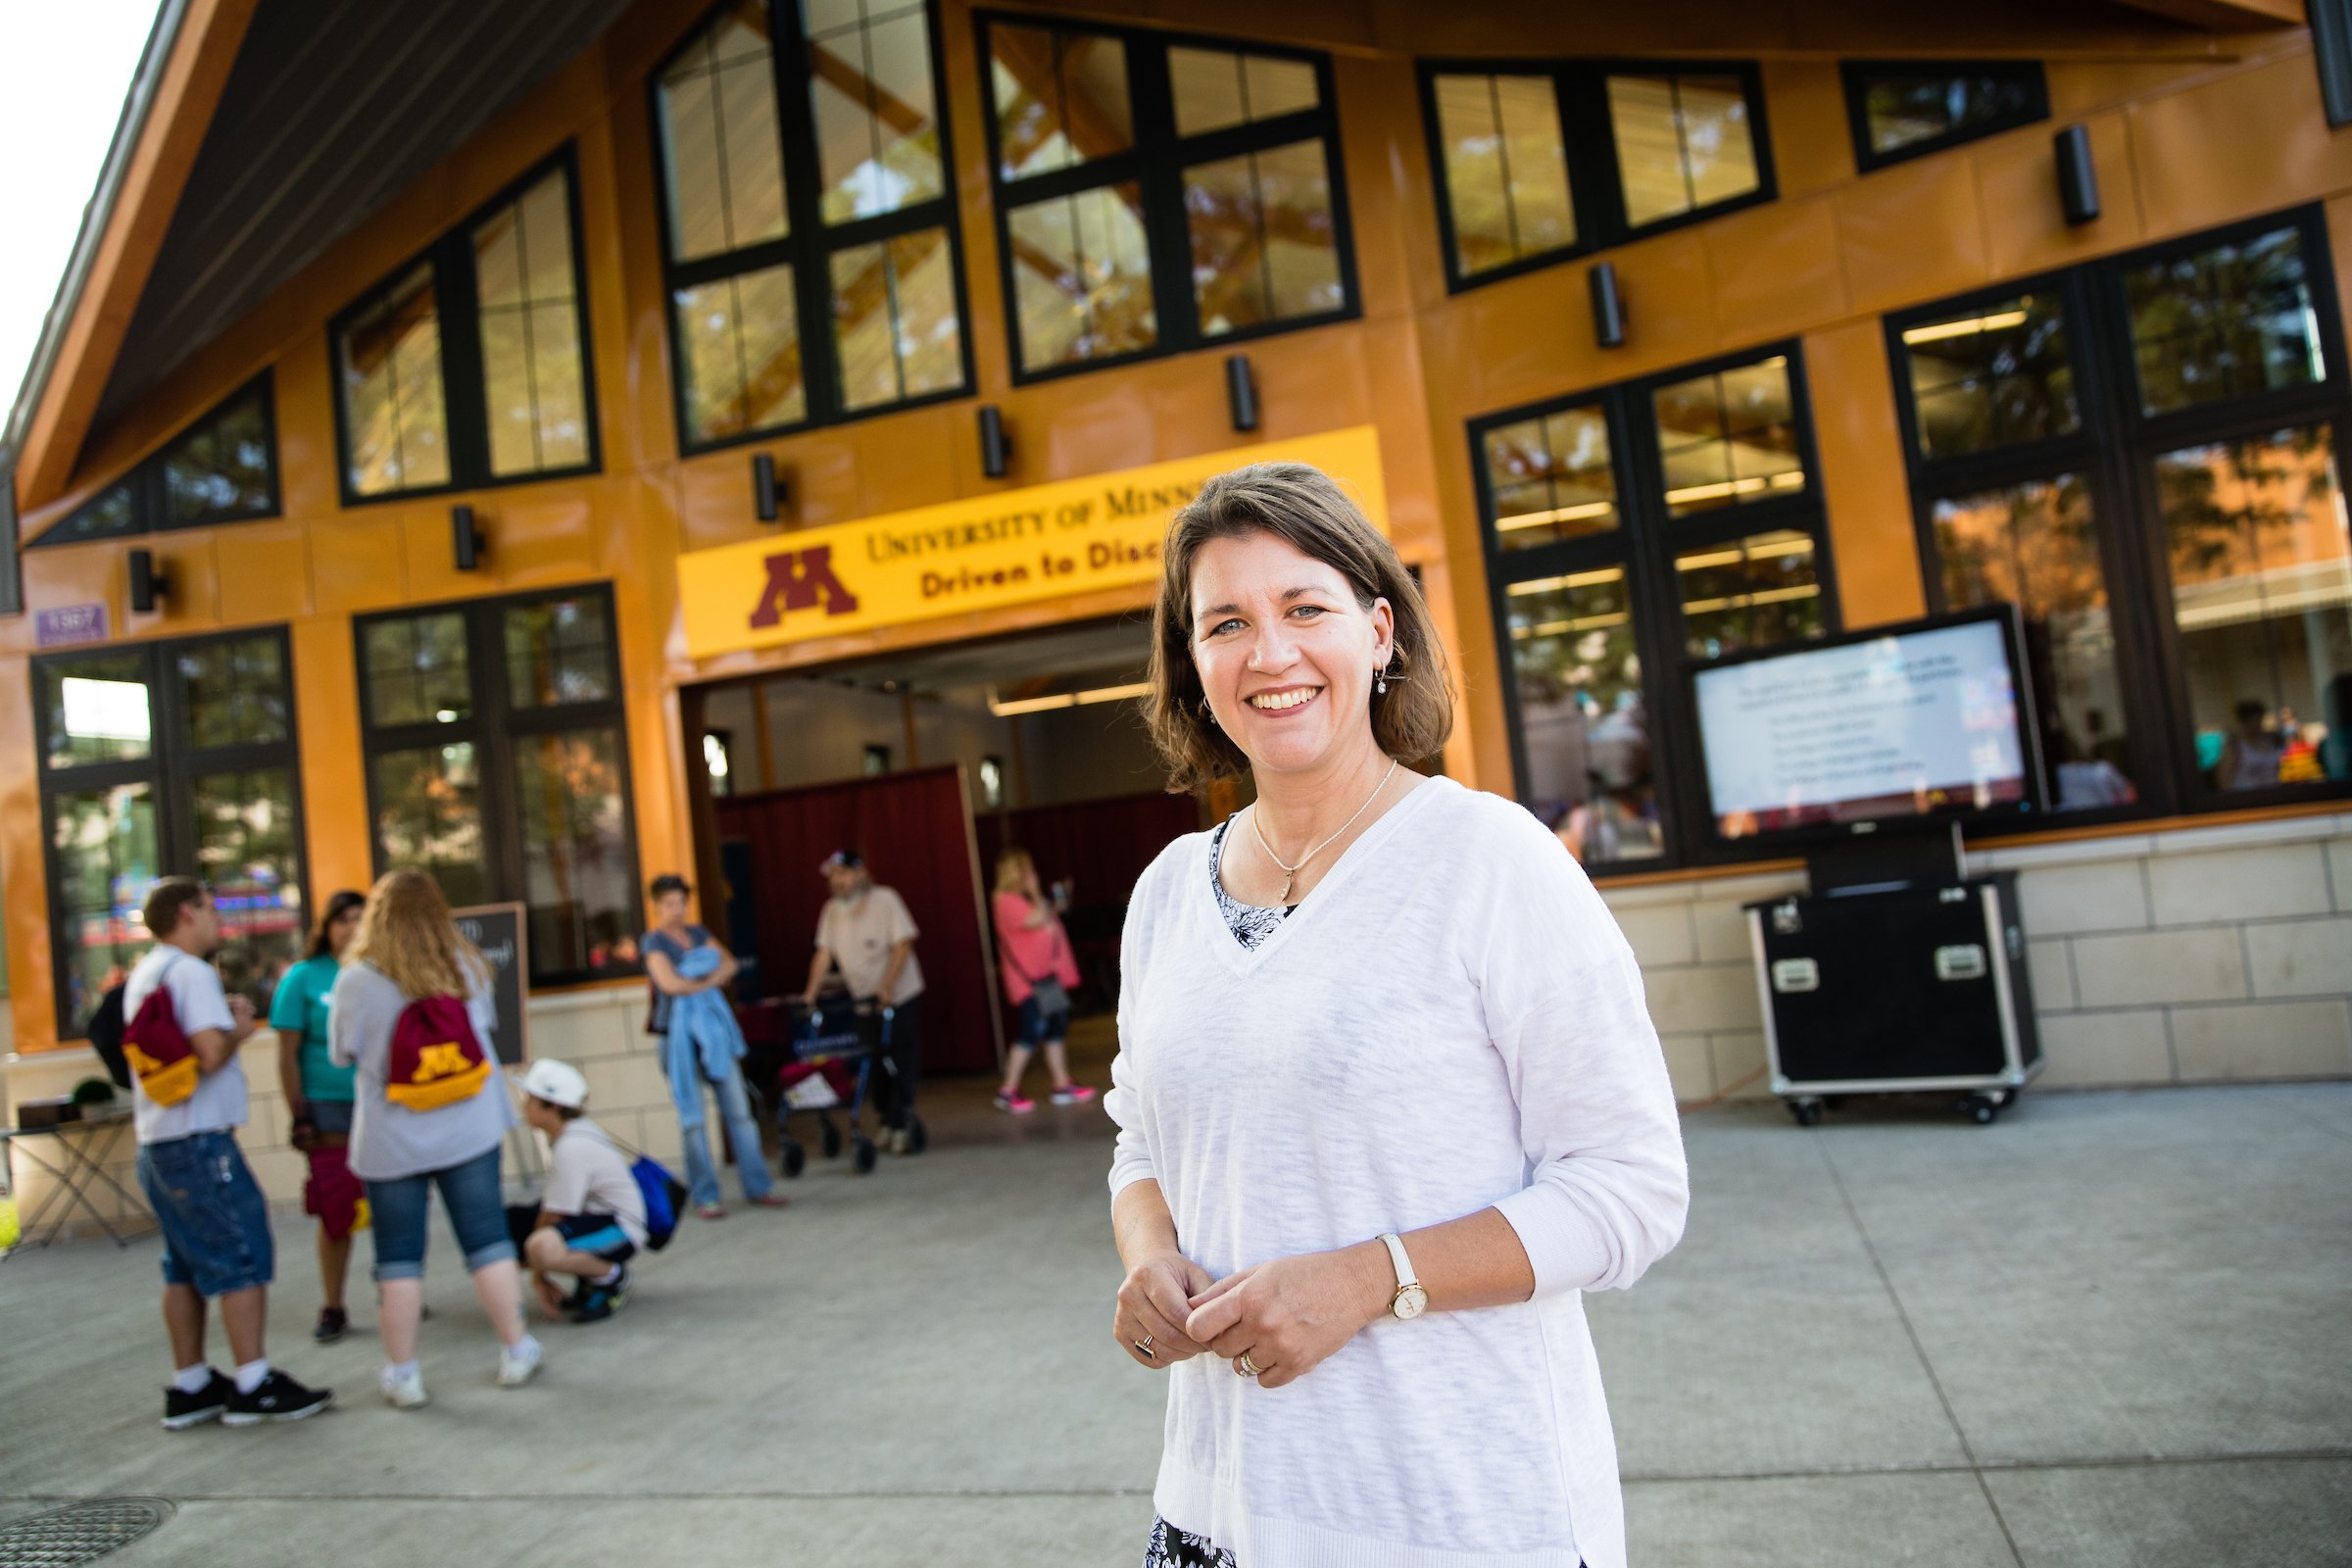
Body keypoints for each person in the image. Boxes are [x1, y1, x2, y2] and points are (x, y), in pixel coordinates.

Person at [1106, 463, 1688, 1568]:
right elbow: (1140, 1131)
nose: (1269, 653)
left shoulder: (1489, 858)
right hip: (1218, 1512)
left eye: (1304, 608)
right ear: (1193, 663)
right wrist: (1148, 1253)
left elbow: (1632, 1187)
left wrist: (1371, 1276)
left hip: (1455, 1518)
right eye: (1225, 621)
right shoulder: (1167, 893)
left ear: (1380, 631)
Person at [330, 868, 542, 1408]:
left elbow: (342, 1053)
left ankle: (404, 1375)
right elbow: (484, 1030)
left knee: (398, 1257)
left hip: (391, 1138)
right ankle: (516, 1350)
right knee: (488, 1242)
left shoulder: (356, 979)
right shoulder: (467, 966)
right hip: (470, 1129)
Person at [128, 878, 334, 1430]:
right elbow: (211, 1052)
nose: (220, 922)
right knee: (240, 1254)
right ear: (187, 913)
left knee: (184, 1266)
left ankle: (191, 1384)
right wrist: (239, 1030)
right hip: (201, 1141)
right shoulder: (192, 972)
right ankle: (252, 1383)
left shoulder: (146, 971)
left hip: (159, 1142)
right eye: (212, 910)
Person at [644, 873, 786, 1219]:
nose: (676, 910)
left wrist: (701, 977)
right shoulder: (654, 942)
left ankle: (758, 1187)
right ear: (657, 905)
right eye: (669, 904)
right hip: (676, 1038)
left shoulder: (698, 933)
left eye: (681, 903)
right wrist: (708, 979)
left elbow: (730, 964)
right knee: (692, 1118)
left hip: (713, 1034)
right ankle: (706, 1195)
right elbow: (670, 984)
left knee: (739, 1112)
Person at [270, 888, 368, 1344]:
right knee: (337, 1212)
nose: (351, 928)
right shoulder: (303, 978)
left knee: (393, 1204)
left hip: (382, 1107)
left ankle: (400, 1290)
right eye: (343, 919)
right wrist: (299, 1114)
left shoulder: (381, 973)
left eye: (360, 919)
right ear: (327, 926)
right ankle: (334, 1305)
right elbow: (286, 1055)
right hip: (327, 1110)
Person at [801, 851, 925, 1153]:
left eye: (842, 874)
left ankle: (902, 1119)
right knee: (872, 1062)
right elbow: (823, 953)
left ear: (859, 873)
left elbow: (903, 943)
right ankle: (885, 1120)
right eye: (832, 876)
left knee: (899, 1059)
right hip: (862, 999)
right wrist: (810, 991)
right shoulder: (831, 910)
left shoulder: (885, 900)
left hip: (900, 995)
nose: (837, 881)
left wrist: (888, 984)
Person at [509, 1058, 646, 1323]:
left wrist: (539, 1272)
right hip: (597, 1217)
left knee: (540, 1246)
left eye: (530, 1099)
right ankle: (589, 1277)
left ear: (554, 1105)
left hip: (622, 1229)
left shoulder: (572, 1146)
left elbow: (554, 1214)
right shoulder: (571, 1133)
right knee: (511, 1222)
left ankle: (612, 1278)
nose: (524, 1106)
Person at [989, 848, 1095, 1113]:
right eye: (1027, 871)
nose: (1032, 875)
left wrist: (1054, 904)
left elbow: (1045, 917)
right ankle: (1008, 1089)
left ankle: (1061, 1084)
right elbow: (1035, 919)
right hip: (1029, 981)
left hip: (1046, 978)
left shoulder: (1021, 899)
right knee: (1033, 1028)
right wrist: (1037, 892)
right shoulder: (1005, 900)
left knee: (1056, 1026)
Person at [2217, 698, 2283, 791]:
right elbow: (2224, 781)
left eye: (2259, 720)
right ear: (2243, 723)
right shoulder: (2234, 747)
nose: (2256, 725)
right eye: (2252, 721)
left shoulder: (2271, 740)